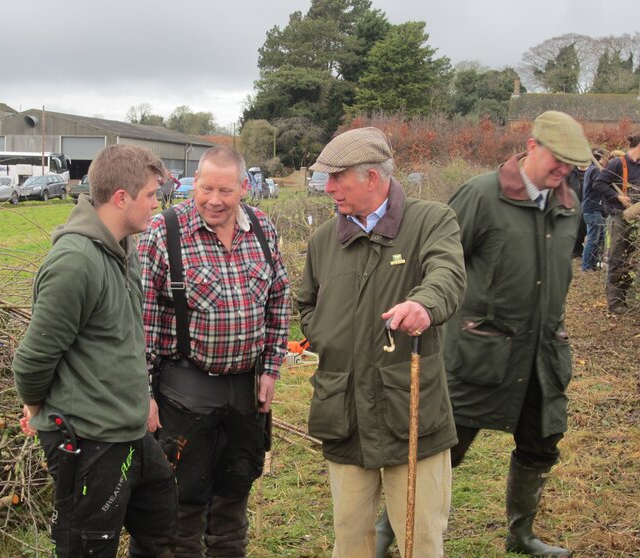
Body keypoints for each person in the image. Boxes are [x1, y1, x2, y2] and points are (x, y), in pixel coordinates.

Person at [297, 127, 467, 558]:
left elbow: (447, 275)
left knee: (420, 539)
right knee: (350, 540)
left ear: (372, 177)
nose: (328, 187)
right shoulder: (323, 242)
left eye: (336, 178)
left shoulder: (431, 220)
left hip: (410, 411)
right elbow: (306, 306)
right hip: (344, 409)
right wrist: (328, 336)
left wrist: (424, 305)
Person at [13, 144, 177, 558]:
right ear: (121, 198)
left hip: (129, 430)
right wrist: (35, 410)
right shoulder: (75, 262)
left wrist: (142, 395)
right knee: (87, 547)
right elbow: (33, 360)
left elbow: (124, 339)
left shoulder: (125, 249)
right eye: (151, 196)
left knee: (160, 520)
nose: (157, 206)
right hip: (87, 438)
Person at [444, 111, 592, 557]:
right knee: (443, 446)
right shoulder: (481, 195)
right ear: (531, 146)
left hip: (543, 352)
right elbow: (439, 262)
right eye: (557, 159)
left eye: (571, 164)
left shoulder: (569, 206)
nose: (563, 170)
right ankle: (390, 528)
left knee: (541, 441)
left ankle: (521, 534)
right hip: (479, 350)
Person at [138, 145, 291, 557]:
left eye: (225, 190)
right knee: (182, 504)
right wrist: (143, 394)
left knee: (233, 496)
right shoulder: (163, 232)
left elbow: (279, 300)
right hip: (183, 393)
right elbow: (141, 323)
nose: (214, 200)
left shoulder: (262, 228)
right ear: (193, 185)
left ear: (244, 187)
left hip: (245, 391)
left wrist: (271, 369)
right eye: (205, 188)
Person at [592, 134, 640, 314]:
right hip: (619, 218)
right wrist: (617, 196)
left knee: (631, 261)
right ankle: (614, 302)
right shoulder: (618, 163)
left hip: (635, 219)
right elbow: (598, 183)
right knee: (617, 258)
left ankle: (624, 297)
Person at [581, 149, 610, 272]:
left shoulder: (592, 169)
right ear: (601, 158)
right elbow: (601, 184)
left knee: (600, 237)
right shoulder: (595, 170)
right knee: (593, 238)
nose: (605, 161)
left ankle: (593, 263)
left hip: (596, 209)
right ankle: (586, 266)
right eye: (604, 158)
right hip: (593, 209)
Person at [566, 164, 587, 258]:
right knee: (573, 227)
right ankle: (574, 250)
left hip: (586, 204)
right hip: (573, 203)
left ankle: (580, 249)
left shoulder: (593, 170)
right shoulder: (571, 171)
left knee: (583, 228)